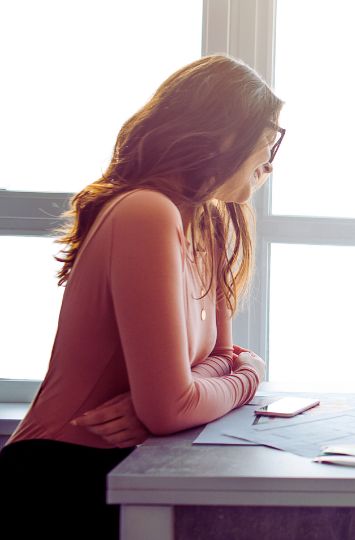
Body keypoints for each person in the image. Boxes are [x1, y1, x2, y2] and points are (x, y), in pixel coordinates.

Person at [0, 54, 283, 538]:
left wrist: (175, 396)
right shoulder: (146, 212)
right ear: (226, 134)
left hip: (133, 466)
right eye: (271, 136)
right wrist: (249, 377)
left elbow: (218, 357)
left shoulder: (208, 222)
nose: (272, 160)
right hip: (60, 475)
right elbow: (175, 406)